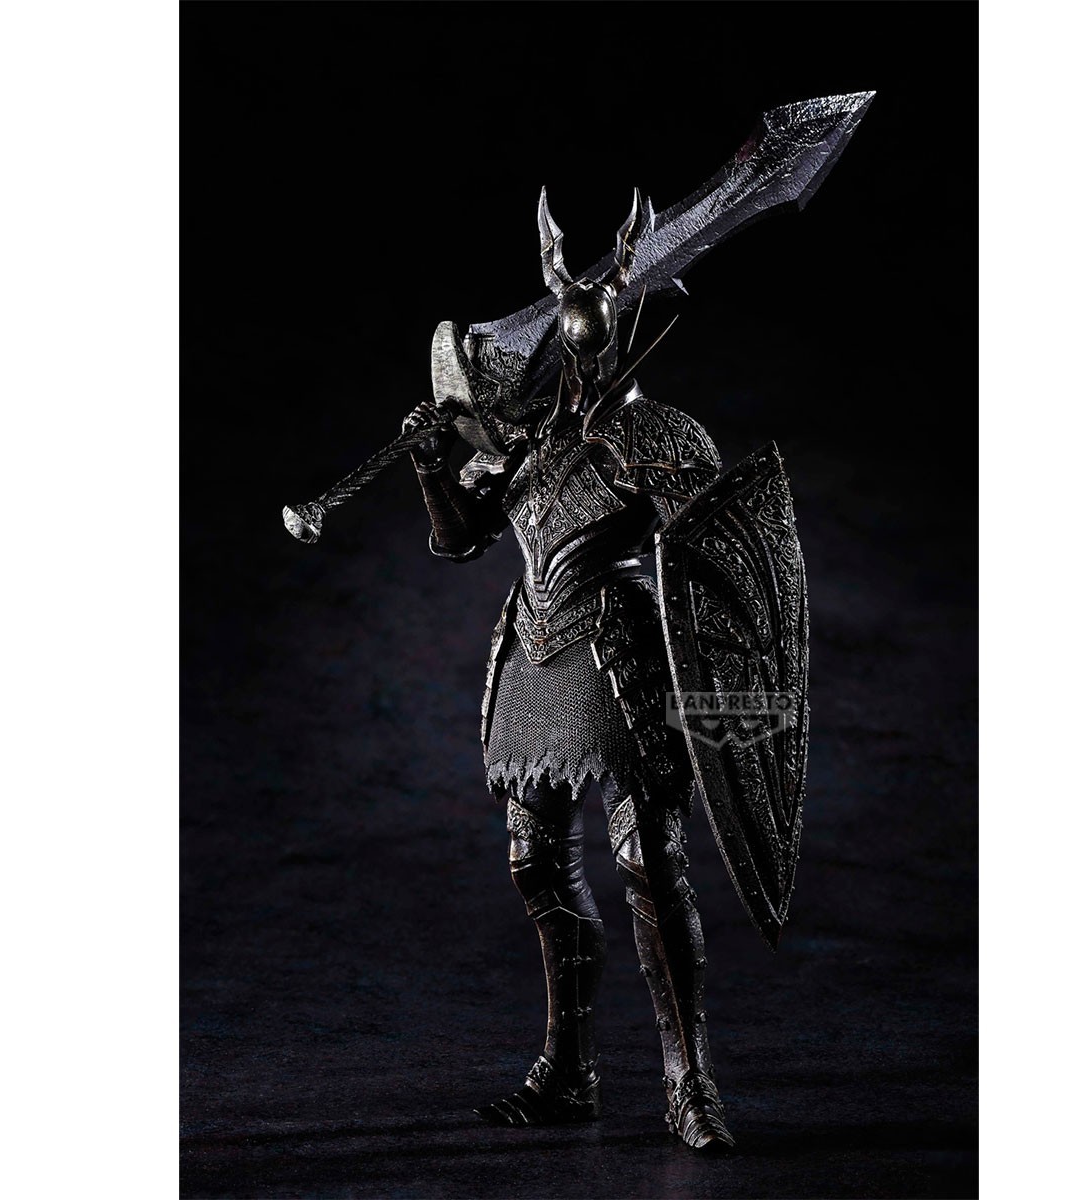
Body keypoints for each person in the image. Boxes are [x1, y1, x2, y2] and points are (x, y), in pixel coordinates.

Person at [400, 190, 736, 1152]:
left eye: (595, 341)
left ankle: (690, 1081)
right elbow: (459, 539)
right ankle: (567, 1072)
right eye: (571, 344)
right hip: (534, 652)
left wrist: (712, 699)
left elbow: (713, 566)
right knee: (536, 863)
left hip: (623, 653)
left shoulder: (663, 437)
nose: (582, 360)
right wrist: (432, 467)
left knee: (651, 864)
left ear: (626, 334)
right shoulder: (527, 439)